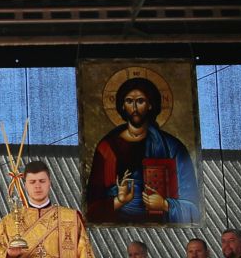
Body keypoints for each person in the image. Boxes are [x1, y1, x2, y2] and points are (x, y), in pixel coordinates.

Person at [85, 76, 199, 224]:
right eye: (129, 101)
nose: (134, 108)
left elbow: (194, 208)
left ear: (150, 105)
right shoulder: (107, 148)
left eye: (140, 101)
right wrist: (119, 201)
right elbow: (92, 207)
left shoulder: (172, 147)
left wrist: (165, 204)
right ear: (122, 106)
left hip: (162, 228)